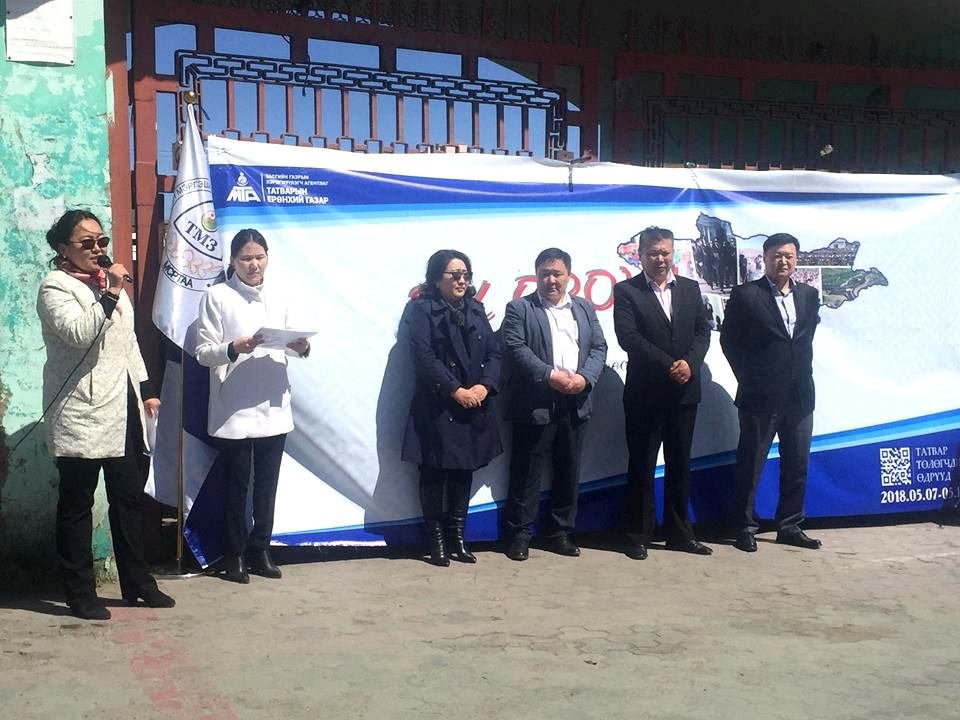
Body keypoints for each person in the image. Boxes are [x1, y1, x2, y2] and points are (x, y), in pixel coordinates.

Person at [37, 209, 174, 620]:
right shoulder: (55, 287)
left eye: (102, 241)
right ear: (64, 248)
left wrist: (146, 390)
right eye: (87, 243)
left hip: (122, 406)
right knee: (77, 503)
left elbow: (127, 341)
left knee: (128, 499)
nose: (98, 249)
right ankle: (79, 592)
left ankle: (138, 583)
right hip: (81, 409)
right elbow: (80, 334)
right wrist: (111, 290)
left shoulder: (109, 286)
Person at [195, 229, 310, 583]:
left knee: (267, 485)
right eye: (246, 258)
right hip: (236, 407)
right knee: (236, 486)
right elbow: (203, 353)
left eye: (259, 257)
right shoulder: (217, 296)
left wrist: (301, 347)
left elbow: (293, 341)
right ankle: (234, 555)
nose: (254, 265)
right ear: (232, 261)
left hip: (274, 404)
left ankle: (261, 549)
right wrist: (234, 347)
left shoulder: (280, 293)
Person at [613, 227, 712, 560]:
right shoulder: (627, 291)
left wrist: (690, 364)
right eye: (653, 253)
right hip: (645, 394)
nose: (660, 259)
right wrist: (670, 364)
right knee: (642, 465)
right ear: (640, 255)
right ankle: (638, 535)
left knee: (680, 464)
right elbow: (629, 338)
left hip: (684, 392)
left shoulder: (690, 289)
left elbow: (702, 331)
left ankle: (680, 534)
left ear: (673, 254)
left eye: (665, 252)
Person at [502, 248, 607, 561]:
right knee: (527, 471)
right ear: (536, 276)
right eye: (545, 274)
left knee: (568, 469)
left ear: (569, 276)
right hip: (536, 402)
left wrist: (585, 378)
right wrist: (549, 375)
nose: (551, 280)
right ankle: (520, 535)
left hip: (576, 400)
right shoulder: (520, 308)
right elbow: (515, 347)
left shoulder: (584, 308)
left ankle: (560, 532)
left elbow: (599, 347)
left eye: (557, 274)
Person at [720, 232, 822, 553]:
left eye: (789, 256)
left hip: (800, 395)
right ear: (764, 258)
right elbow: (729, 341)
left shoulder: (808, 295)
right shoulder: (746, 295)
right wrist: (750, 377)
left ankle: (790, 525)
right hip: (760, 396)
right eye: (777, 255)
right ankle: (745, 526)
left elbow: (804, 339)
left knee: (797, 464)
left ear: (797, 259)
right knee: (751, 463)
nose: (783, 261)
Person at [400, 250, 502, 566]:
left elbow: (495, 353)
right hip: (438, 404)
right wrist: (455, 390)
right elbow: (424, 357)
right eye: (454, 274)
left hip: (473, 401)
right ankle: (437, 541)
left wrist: (485, 386)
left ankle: (458, 537)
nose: (461, 280)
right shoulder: (420, 310)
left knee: (463, 471)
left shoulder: (476, 308)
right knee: (434, 472)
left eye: (465, 275)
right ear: (435, 279)